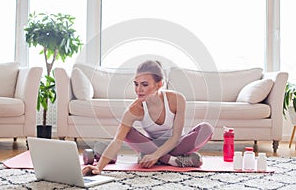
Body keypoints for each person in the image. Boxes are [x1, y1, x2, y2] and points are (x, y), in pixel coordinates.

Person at [82, 60, 214, 175]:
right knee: (127, 132)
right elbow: (117, 141)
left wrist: (155, 155)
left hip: (176, 144)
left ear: (159, 84)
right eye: (136, 84)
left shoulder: (177, 99)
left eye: (144, 84)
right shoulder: (134, 110)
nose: (138, 89)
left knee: (206, 128)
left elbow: (175, 138)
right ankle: (176, 160)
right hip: (151, 145)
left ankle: (157, 159)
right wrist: (98, 167)